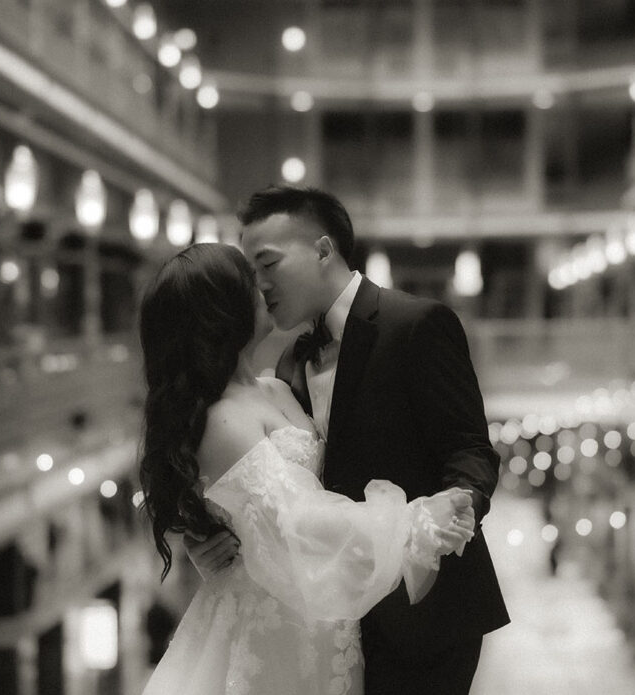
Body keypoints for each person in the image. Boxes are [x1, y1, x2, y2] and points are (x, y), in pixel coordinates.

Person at [187, 186, 510, 694]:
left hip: (419, 612)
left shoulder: (417, 325)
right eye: (250, 275)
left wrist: (450, 511)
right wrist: (207, 538)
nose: (260, 285)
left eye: (268, 264)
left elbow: (470, 448)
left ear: (322, 249)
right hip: (332, 625)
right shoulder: (289, 363)